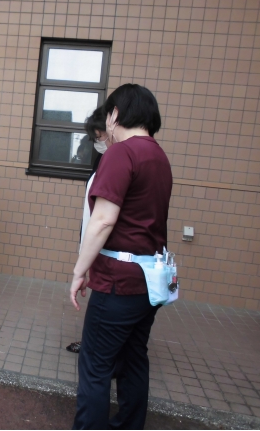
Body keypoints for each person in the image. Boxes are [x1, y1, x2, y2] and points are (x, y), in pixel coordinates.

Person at [70, 83, 172, 429]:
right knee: (133, 359)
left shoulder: (121, 153)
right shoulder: (159, 156)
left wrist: (79, 271)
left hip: (119, 281)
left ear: (115, 114)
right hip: (150, 282)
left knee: (95, 365)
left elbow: (102, 220)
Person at [66, 105, 108, 354]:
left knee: (103, 303)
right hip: (97, 248)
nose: (97, 143)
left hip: (106, 251)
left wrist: (81, 268)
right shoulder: (104, 159)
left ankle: (96, 349)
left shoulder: (118, 163)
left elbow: (103, 220)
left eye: (99, 136)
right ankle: (95, 345)